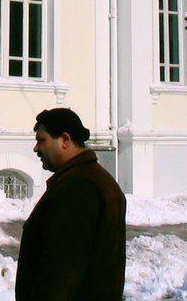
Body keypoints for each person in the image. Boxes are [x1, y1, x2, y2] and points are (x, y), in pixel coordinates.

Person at [16, 107, 126, 301]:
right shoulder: (95, 178)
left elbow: (61, 269)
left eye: (42, 140)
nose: (36, 148)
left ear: (65, 139)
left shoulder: (76, 187)